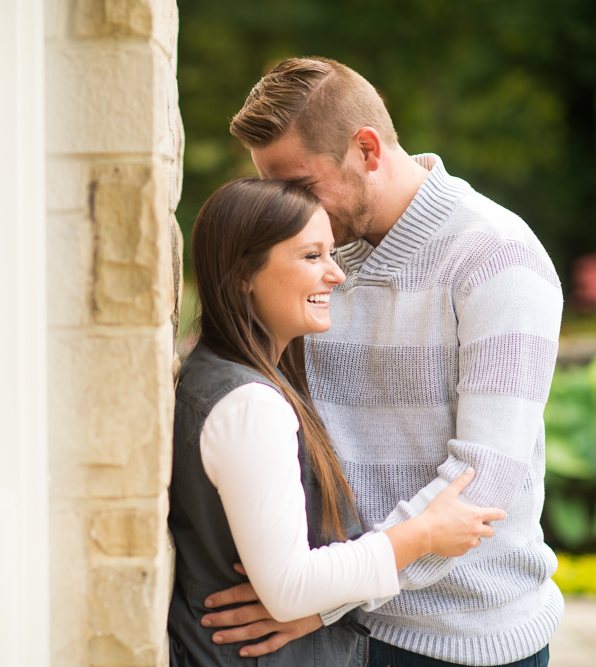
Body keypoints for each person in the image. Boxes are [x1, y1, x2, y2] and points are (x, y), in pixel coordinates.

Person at [203, 57, 565, 667]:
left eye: (300, 185)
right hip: (337, 628)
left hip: (462, 641)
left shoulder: (497, 260)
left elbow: (481, 489)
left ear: (367, 149)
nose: (290, 211)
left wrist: (318, 600)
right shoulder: (315, 257)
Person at [169, 177, 507, 667]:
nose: (336, 275)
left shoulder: (217, 374)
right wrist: (423, 535)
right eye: (311, 257)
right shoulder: (250, 407)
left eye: (332, 254)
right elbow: (290, 588)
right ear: (243, 273)